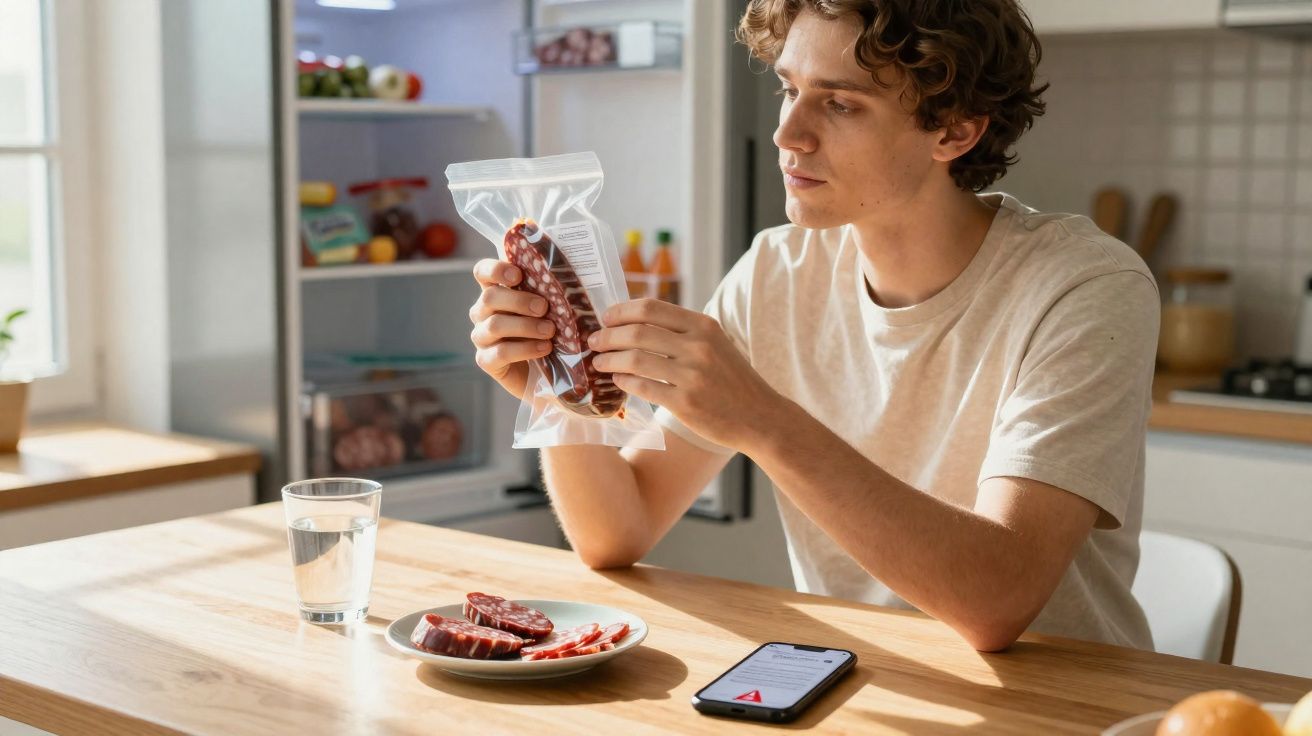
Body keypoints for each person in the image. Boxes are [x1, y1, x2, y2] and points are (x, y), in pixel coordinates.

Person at [466, 0, 1157, 652]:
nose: (787, 134)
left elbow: (998, 599)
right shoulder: (778, 271)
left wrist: (763, 421)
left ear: (955, 129)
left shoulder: (1083, 287)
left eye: (841, 103)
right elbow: (618, 530)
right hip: (864, 687)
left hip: (1063, 705)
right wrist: (554, 389)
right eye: (788, 89)